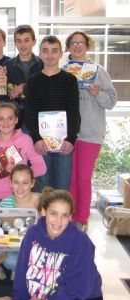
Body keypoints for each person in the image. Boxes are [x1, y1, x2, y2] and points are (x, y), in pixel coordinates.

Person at [65, 31, 117, 230]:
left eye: (81, 42)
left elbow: (111, 101)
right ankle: (67, 216)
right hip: (67, 134)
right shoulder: (63, 70)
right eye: (73, 43)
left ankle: (81, 218)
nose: (77, 46)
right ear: (68, 47)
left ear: (87, 45)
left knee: (83, 178)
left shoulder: (98, 70)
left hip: (90, 132)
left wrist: (97, 92)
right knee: (69, 178)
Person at [13, 187, 103, 300]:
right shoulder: (32, 233)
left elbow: (79, 287)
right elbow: (21, 274)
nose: (58, 221)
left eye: (65, 215)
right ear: (44, 211)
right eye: (54, 214)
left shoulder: (81, 241)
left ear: (70, 217)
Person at [25, 35, 80, 192]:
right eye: (45, 51)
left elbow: (74, 111)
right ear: (40, 54)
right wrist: (36, 138)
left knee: (62, 187)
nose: (49, 55)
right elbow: (30, 112)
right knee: (43, 188)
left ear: (61, 54)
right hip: (41, 142)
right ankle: (44, 217)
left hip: (64, 143)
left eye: (54, 51)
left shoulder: (70, 80)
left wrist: (71, 139)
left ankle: (62, 217)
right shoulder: (33, 81)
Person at [0, 102, 46, 206]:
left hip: (19, 196)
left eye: (10, 118)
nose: (5, 123)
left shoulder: (25, 140)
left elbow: (41, 168)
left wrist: (18, 172)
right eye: (1, 118)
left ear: (16, 120)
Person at [0, 24, 44, 130]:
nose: (23, 45)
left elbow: (47, 90)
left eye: (26, 40)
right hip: (15, 122)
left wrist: (23, 88)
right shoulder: (7, 65)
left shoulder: (42, 65)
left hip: (39, 120)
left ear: (34, 41)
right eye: (19, 41)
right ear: (15, 43)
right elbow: (1, 97)